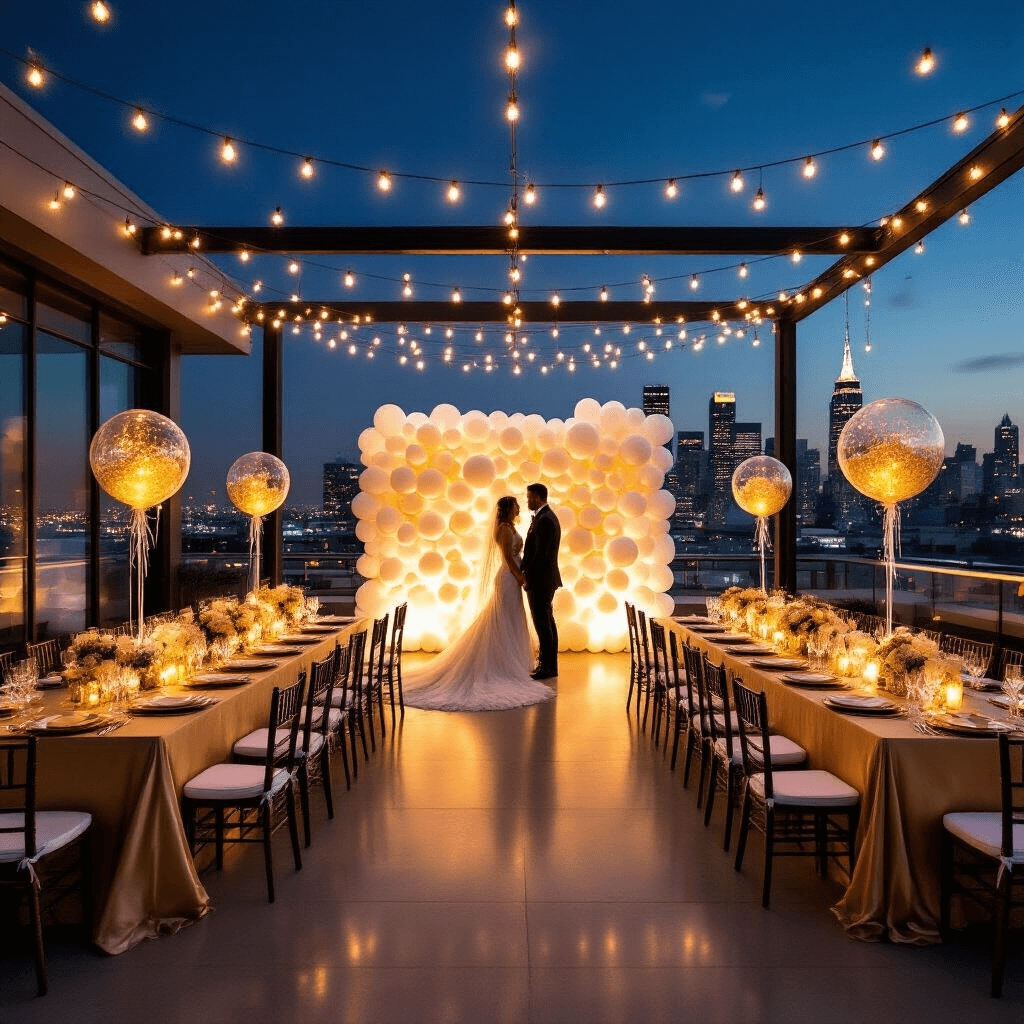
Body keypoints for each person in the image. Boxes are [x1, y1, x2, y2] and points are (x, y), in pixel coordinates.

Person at [403, 495, 555, 711]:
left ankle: (512, 663)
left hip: (514, 577)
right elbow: (507, 557)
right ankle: (501, 664)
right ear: (507, 509)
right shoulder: (503, 528)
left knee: (512, 618)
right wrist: (519, 575)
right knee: (504, 618)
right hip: (508, 576)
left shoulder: (510, 526)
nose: (518, 508)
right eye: (515, 506)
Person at [520, 482, 562, 680]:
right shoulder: (545, 517)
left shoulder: (545, 519)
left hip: (541, 580)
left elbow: (541, 555)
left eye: (529, 497)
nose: (527, 500)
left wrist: (527, 576)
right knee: (547, 622)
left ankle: (547, 667)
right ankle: (549, 665)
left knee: (542, 624)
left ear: (537, 497)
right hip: (545, 579)